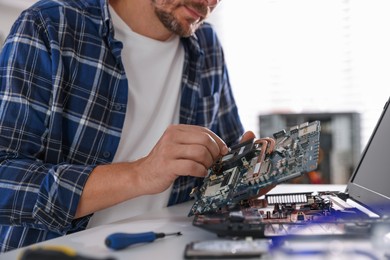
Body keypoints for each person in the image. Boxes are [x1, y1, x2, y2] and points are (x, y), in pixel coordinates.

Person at [0, 0, 258, 253]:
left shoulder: (207, 45)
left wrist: (251, 173)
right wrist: (140, 174)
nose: (210, 2)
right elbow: (5, 179)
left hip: (169, 247)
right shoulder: (50, 24)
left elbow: (222, 167)